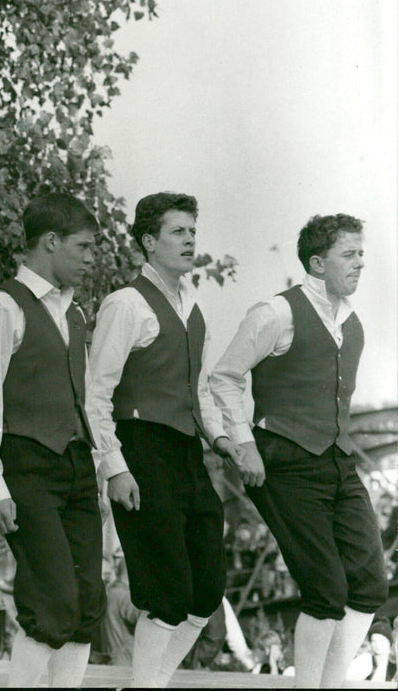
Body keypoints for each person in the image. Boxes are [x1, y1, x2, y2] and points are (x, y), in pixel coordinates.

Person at [210, 213, 389, 687]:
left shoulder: (352, 324)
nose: (359, 264)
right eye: (349, 255)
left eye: (361, 255)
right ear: (316, 262)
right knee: (326, 590)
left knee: (369, 584)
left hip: (338, 458)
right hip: (285, 458)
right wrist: (243, 445)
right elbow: (224, 378)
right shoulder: (275, 313)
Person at [86, 191, 241, 688]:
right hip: (140, 448)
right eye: (178, 231)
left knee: (206, 593)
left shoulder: (193, 309)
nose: (190, 239)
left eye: (192, 231)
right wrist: (116, 468)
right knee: (168, 595)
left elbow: (197, 390)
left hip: (186, 453)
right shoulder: (126, 304)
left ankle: (148, 683)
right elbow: (95, 396)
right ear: (148, 242)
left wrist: (220, 438)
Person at [0, 193, 105, 687]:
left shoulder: (76, 315)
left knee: (88, 606)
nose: (91, 259)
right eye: (84, 247)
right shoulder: (1, 307)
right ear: (50, 242)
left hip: (75, 466)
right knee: (52, 604)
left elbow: (83, 400)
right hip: (25, 465)